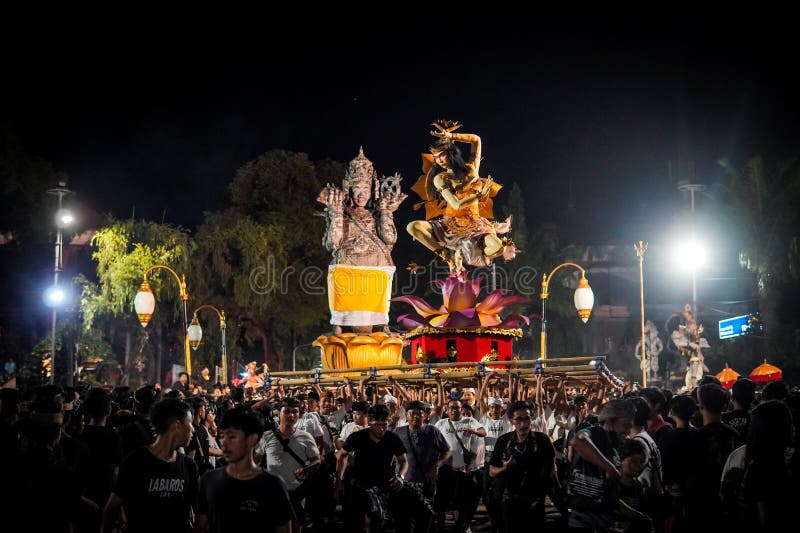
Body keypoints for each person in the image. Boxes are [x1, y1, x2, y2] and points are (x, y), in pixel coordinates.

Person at [406, 120, 516, 273]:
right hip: (451, 224)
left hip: (476, 224)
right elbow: (456, 204)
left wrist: (450, 135)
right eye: (436, 157)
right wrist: (477, 195)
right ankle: (448, 257)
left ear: (451, 152)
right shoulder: (441, 178)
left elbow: (476, 140)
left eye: (442, 155)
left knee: (498, 249)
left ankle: (467, 250)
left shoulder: (471, 169)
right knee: (413, 227)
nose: (439, 160)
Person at [319, 148, 406, 333]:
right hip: (348, 264)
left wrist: (385, 211)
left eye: (365, 189)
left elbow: (389, 239)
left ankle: (381, 322)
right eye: (356, 189)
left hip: (375, 264)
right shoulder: (343, 214)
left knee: (382, 272)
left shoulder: (376, 214)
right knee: (338, 269)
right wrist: (335, 214)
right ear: (349, 189)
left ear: (373, 189)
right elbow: (333, 244)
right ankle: (340, 322)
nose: (360, 194)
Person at [101, 397, 199, 533]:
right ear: (177, 425)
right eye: (190, 423)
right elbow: (112, 508)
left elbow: (193, 513)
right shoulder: (136, 462)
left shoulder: (189, 466)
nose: (193, 429)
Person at [194, 406, 294, 533]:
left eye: (232, 437)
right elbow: (200, 527)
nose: (224, 442)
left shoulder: (273, 484)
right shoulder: (208, 481)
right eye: (222, 436)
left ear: (252, 439)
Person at [336, 403, 410, 532]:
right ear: (370, 422)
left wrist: (401, 476)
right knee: (356, 522)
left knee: (377, 522)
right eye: (377, 425)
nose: (381, 429)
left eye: (384, 425)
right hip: (358, 484)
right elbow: (342, 455)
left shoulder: (392, 438)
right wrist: (339, 479)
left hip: (381, 485)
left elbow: (403, 461)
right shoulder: (357, 437)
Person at [255, 397, 320, 533]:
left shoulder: (306, 437)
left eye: (295, 412)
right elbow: (256, 462)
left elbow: (316, 460)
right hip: (274, 493)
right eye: (287, 412)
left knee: (296, 527)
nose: (291, 415)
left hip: (297, 492)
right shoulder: (266, 437)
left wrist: (306, 470)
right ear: (279, 413)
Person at [489, 400, 556, 532]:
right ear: (511, 420)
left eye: (527, 419)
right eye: (518, 419)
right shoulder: (504, 441)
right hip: (510, 501)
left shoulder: (542, 440)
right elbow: (491, 471)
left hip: (535, 501)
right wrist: (504, 469)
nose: (523, 424)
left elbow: (550, 473)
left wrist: (541, 498)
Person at [393, 400, 452, 532]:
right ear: (406, 416)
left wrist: (438, 465)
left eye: (420, 414)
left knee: (424, 520)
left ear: (425, 416)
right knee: (403, 520)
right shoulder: (398, 432)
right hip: (404, 484)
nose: (416, 416)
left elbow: (447, 451)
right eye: (412, 414)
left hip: (426, 484)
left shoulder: (432, 431)